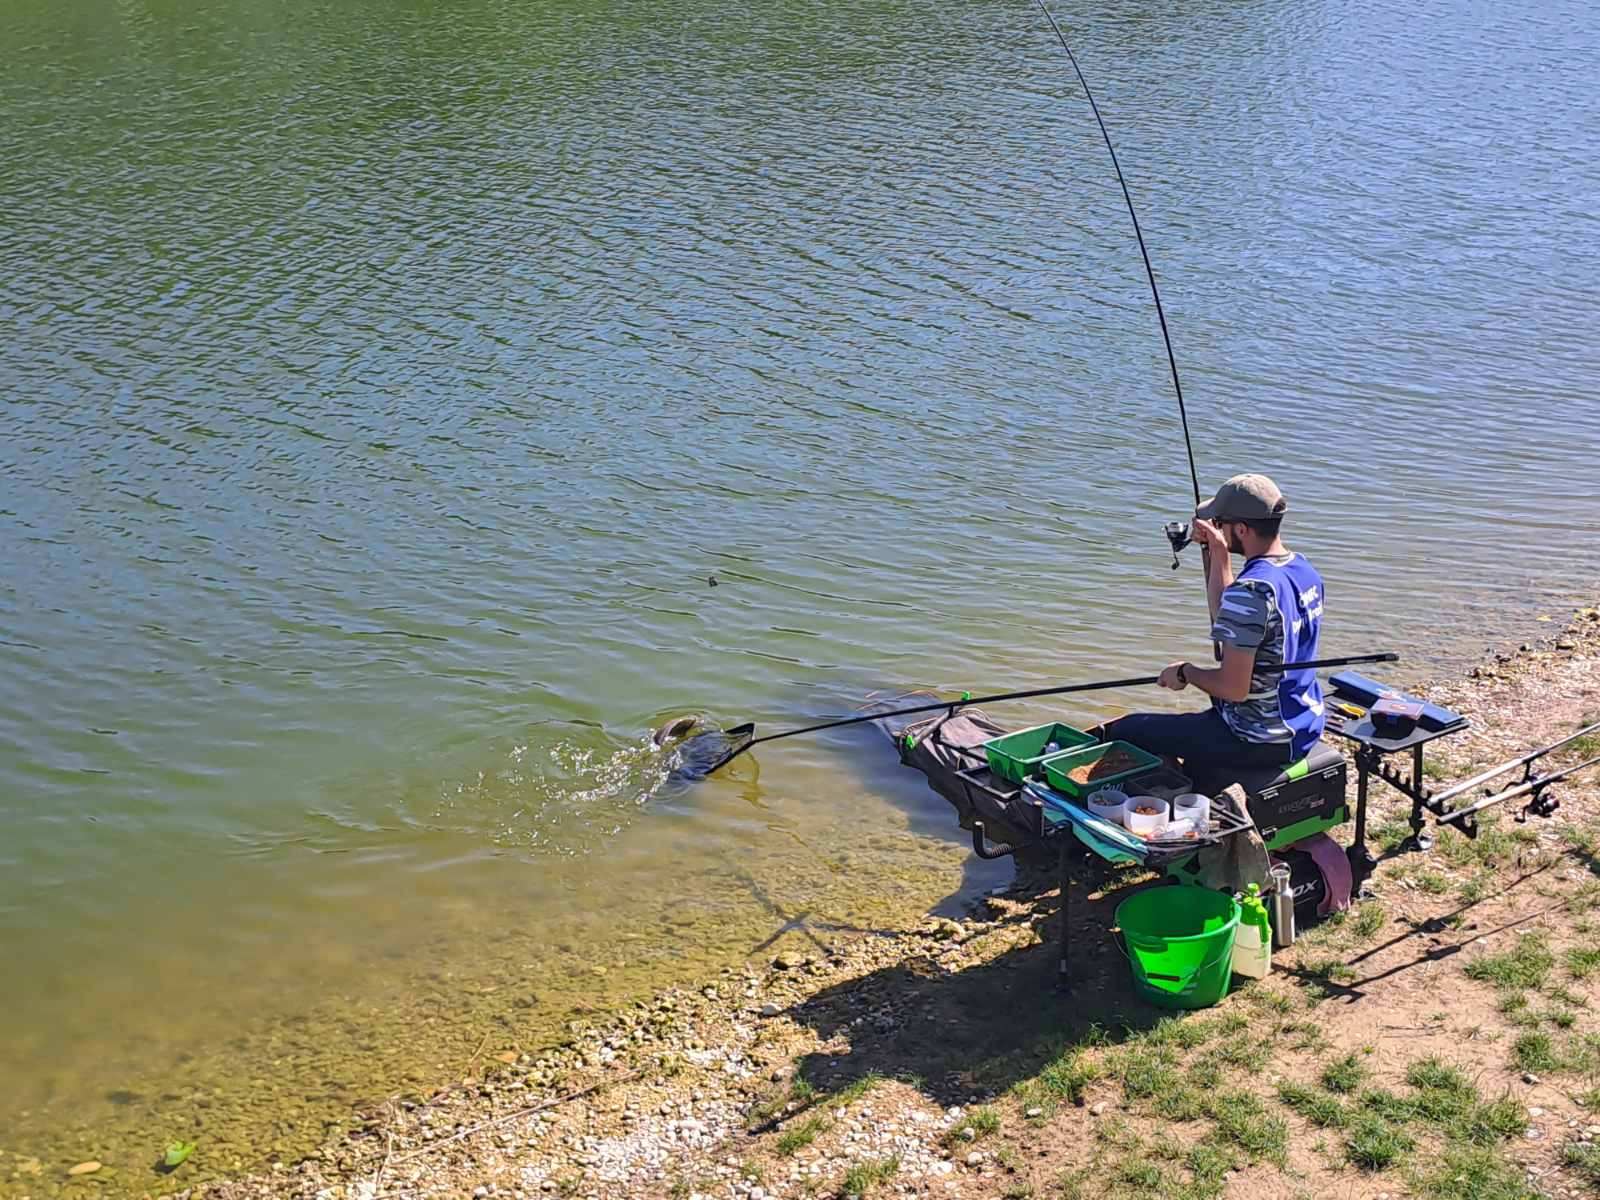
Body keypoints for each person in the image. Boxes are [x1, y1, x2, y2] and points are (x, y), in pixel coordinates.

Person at [1099, 473, 1327, 784]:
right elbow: (1231, 620)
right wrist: (1218, 552)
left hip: (1258, 739)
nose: (1216, 526)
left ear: (1243, 529)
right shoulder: (1303, 569)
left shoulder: (1251, 592)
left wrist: (1185, 673)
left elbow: (1233, 688)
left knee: (1125, 730)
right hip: (1303, 724)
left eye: (1220, 523)